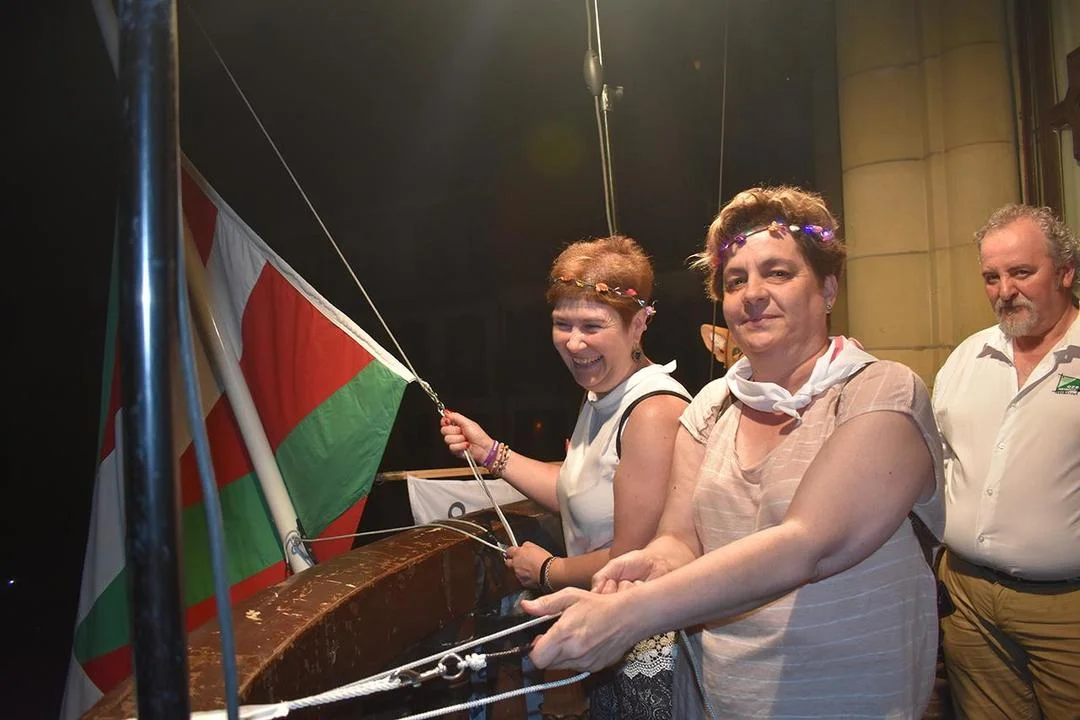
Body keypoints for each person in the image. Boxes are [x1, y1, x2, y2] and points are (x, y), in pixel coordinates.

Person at [522, 186, 946, 718]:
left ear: (828, 288)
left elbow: (806, 545)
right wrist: (644, 568)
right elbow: (681, 538)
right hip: (721, 699)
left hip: (848, 700)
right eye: (735, 281)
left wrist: (634, 613)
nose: (753, 294)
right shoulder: (713, 405)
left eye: (778, 273)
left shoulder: (880, 391)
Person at [440, 234, 691, 718]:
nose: (574, 343)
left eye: (592, 326)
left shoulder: (653, 410)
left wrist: (547, 570)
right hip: (609, 640)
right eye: (562, 324)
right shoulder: (600, 393)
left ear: (639, 323)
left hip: (651, 654)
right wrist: (488, 451)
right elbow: (580, 492)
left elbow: (632, 560)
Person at [931, 204, 1080, 719]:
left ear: (1066, 271)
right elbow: (938, 458)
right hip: (967, 601)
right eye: (991, 277)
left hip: (1066, 609)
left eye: (1021, 272)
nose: (1004, 290)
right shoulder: (968, 356)